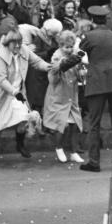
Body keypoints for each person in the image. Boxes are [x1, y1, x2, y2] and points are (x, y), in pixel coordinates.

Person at [0, 30, 51, 163]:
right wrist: (15, 92)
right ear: (7, 43)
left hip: (19, 94)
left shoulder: (24, 50)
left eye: (19, 43)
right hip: (3, 95)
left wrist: (49, 67)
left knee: (23, 119)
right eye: (14, 43)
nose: (17, 46)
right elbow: (1, 80)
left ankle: (20, 145)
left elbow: (37, 62)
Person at [78, 5, 112, 173]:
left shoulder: (89, 36)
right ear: (105, 19)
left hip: (97, 82)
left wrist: (62, 66)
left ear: (92, 20)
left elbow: (78, 55)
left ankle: (94, 161)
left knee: (94, 123)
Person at [43, 30, 86, 163]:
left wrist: (81, 72)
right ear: (60, 46)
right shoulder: (56, 57)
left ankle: (73, 152)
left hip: (72, 95)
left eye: (71, 46)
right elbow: (52, 78)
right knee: (63, 124)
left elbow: (79, 75)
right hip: (58, 95)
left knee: (74, 125)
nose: (69, 49)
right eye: (66, 47)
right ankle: (59, 147)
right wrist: (63, 65)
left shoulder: (74, 55)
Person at [24, 18, 62, 117]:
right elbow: (33, 56)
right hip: (36, 73)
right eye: (52, 32)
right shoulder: (39, 38)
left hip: (46, 72)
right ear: (47, 29)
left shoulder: (52, 39)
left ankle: (42, 124)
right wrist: (48, 53)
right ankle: (35, 126)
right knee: (37, 100)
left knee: (44, 99)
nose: (53, 35)